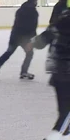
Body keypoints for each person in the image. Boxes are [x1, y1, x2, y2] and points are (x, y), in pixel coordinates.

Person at [25, 8, 70, 140]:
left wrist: (32, 43)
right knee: (66, 115)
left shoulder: (60, 21)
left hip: (58, 73)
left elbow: (43, 39)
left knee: (64, 112)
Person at [0, 0, 39, 79]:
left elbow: (17, 24)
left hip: (15, 36)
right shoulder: (34, 12)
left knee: (8, 53)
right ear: (34, 1)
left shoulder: (20, 10)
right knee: (30, 53)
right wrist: (33, 39)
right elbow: (32, 28)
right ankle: (24, 72)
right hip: (25, 38)